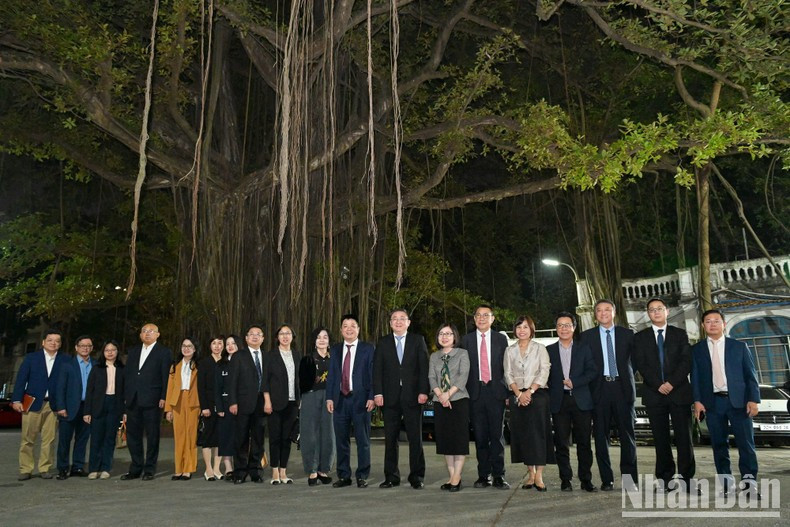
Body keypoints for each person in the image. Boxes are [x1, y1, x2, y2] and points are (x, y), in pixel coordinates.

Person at [692, 309, 760, 497]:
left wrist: (753, 399)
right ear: (703, 326)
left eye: (716, 321)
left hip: (739, 401)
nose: (712, 324)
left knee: (746, 445)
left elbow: (751, 375)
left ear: (724, 324)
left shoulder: (739, 347)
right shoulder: (697, 350)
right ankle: (726, 484)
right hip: (713, 402)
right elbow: (695, 377)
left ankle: (749, 485)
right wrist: (697, 401)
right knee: (719, 445)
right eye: (708, 321)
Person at [632, 298, 695, 491]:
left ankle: (687, 480)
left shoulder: (680, 334)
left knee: (684, 438)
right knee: (660, 440)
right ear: (648, 314)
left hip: (679, 393)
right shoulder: (640, 337)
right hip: (654, 394)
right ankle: (665, 479)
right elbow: (640, 364)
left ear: (666, 311)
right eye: (652, 310)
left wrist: (671, 383)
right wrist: (659, 384)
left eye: (659, 309)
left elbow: (686, 362)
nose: (656, 312)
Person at [580, 300, 638, 491]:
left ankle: (630, 481)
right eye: (599, 310)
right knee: (600, 437)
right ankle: (607, 479)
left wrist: (624, 378)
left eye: (607, 310)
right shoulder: (586, 337)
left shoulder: (627, 335)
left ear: (614, 312)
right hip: (599, 390)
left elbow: (635, 362)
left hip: (622, 389)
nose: (603, 313)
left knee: (627, 436)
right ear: (595, 314)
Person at [373, 309, 429, 490]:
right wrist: (378, 393)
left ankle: (417, 476)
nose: (398, 322)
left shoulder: (417, 340)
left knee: (415, 438)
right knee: (390, 439)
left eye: (402, 319)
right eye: (394, 319)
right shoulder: (383, 342)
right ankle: (391, 476)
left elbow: (423, 367)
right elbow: (377, 370)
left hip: (413, 397)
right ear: (390, 323)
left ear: (409, 322)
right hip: (389, 398)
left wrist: (423, 391)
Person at [547, 312, 598, 492]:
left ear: (574, 328)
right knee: (561, 443)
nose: (564, 328)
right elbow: (545, 375)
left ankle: (586, 479)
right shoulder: (549, 350)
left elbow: (592, 371)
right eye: (560, 325)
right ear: (556, 328)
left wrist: (575, 382)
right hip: (559, 402)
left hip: (581, 401)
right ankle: (565, 479)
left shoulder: (583, 348)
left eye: (567, 325)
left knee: (584, 442)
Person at [461, 304, 510, 490]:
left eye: (486, 315)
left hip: (496, 392)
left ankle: (499, 475)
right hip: (475, 393)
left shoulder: (501, 339)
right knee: (480, 437)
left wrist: (507, 392)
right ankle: (484, 475)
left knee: (497, 436)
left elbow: (506, 367)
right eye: (478, 315)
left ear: (492, 319)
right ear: (474, 319)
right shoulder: (465, 340)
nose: (482, 318)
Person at [504, 315, 553, 492]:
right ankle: (530, 474)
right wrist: (518, 393)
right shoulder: (509, 351)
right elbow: (507, 374)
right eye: (519, 327)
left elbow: (544, 370)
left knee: (538, 435)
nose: (521, 330)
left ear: (531, 329)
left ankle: (539, 475)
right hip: (517, 396)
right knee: (523, 435)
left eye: (525, 327)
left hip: (538, 395)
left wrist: (530, 391)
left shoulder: (540, 349)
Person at [12, 329, 69, 480]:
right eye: (50, 340)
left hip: (53, 404)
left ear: (60, 344)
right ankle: (26, 469)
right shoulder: (32, 358)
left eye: (57, 341)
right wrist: (16, 400)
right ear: (43, 342)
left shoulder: (65, 359)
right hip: (31, 403)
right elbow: (21, 379)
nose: (53, 343)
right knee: (27, 438)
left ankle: (45, 468)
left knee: (49, 439)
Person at [326, 314, 375, 488]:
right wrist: (329, 397)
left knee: (363, 440)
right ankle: (344, 475)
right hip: (340, 400)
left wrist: (372, 397)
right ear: (341, 330)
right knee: (341, 440)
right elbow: (332, 375)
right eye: (345, 325)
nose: (349, 328)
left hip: (361, 400)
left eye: (352, 325)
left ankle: (362, 475)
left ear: (358, 329)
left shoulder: (368, 349)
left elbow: (372, 375)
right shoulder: (336, 349)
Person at [121, 323, 171, 481]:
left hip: (153, 400)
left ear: (158, 334)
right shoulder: (133, 351)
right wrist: (126, 396)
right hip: (133, 399)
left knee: (152, 435)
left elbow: (165, 377)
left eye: (151, 331)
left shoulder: (164, 352)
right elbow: (128, 376)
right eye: (144, 331)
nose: (147, 333)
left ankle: (149, 468)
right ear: (140, 334)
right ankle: (135, 467)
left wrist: (164, 397)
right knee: (132, 436)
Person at [428, 324, 470, 492]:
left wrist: (448, 395)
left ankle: (456, 476)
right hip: (440, 403)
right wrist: (440, 395)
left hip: (458, 400)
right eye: (441, 334)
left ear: (455, 337)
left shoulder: (462, 354)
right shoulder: (434, 356)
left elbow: (463, 376)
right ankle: (453, 477)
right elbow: (431, 377)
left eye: (448, 334)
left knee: (458, 441)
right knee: (446, 441)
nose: (444, 337)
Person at [227, 325, 267, 484]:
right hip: (242, 403)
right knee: (241, 438)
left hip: (261, 403)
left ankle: (256, 470)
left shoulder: (266, 355)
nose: (255, 337)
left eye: (258, 334)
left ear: (263, 338)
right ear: (246, 338)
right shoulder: (238, 356)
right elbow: (232, 382)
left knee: (258, 439)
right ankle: (240, 471)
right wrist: (232, 402)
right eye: (252, 334)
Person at [53, 335, 95, 479]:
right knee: (65, 440)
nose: (86, 348)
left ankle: (77, 466)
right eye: (83, 345)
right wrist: (61, 407)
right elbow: (60, 388)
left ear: (92, 348)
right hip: (68, 408)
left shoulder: (95, 365)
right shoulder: (67, 365)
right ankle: (63, 468)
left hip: (87, 408)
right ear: (76, 348)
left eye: (89, 346)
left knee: (82, 439)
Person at [263, 324, 301, 485]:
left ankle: (283, 471)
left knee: (286, 438)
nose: (285, 336)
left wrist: (301, 400)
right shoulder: (271, 356)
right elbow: (264, 381)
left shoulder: (297, 355)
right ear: (277, 337)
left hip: (292, 403)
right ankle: (274, 471)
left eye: (288, 333)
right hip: (275, 403)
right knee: (275, 438)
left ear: (293, 336)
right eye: (282, 334)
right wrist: (267, 401)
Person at [83, 340, 125, 479]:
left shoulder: (122, 369)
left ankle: (106, 468)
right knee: (96, 438)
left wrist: (125, 411)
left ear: (117, 352)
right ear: (103, 352)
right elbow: (90, 391)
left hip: (115, 404)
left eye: (113, 350)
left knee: (109, 438)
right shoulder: (97, 368)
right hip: (98, 405)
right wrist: (87, 411)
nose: (110, 352)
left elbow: (125, 391)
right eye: (107, 350)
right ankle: (94, 468)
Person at [299, 327, 335, 486]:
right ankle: (312, 470)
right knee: (310, 434)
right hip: (310, 397)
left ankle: (323, 469)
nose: (322, 340)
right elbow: (302, 383)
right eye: (319, 337)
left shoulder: (335, 359)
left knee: (328, 433)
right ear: (314, 341)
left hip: (330, 398)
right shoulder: (307, 359)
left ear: (329, 341)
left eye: (325, 337)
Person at [165, 337, 201, 480]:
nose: (186, 348)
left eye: (189, 346)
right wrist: (168, 409)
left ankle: (188, 468)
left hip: (193, 402)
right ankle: (179, 468)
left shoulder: (198, 365)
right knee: (179, 435)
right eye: (184, 346)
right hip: (177, 401)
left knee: (190, 435)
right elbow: (170, 388)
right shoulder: (175, 366)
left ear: (195, 349)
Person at [197, 335, 224, 480]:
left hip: (222, 406)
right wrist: (204, 407)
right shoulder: (204, 363)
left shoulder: (227, 362)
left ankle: (217, 468)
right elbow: (200, 387)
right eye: (214, 343)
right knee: (208, 437)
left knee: (220, 437)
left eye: (220, 343)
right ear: (210, 346)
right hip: (208, 403)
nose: (217, 346)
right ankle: (208, 469)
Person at [215, 334, 242, 480]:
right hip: (225, 406)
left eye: (233, 343)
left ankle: (240, 466)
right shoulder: (221, 364)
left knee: (240, 436)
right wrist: (218, 407)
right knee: (226, 436)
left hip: (242, 406)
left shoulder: (245, 361)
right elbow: (217, 388)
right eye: (228, 344)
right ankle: (228, 468)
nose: (230, 346)